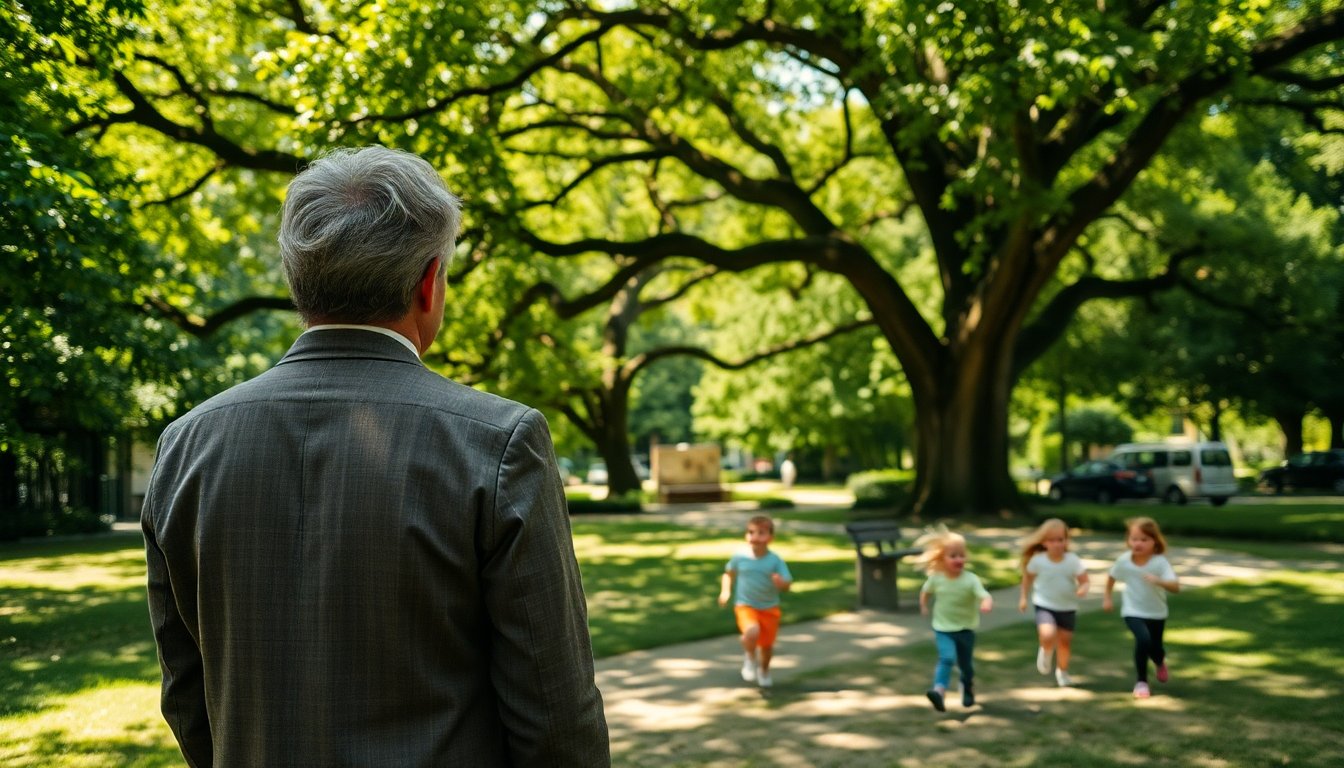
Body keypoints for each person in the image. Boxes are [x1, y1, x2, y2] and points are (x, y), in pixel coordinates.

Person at [141, 146, 610, 767]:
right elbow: (556, 719)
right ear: (428, 282)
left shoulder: (186, 446)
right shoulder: (496, 442)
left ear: (297, 280)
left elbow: (187, 695)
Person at [1103, 516, 1180, 700]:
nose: (1138, 543)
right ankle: (1141, 682)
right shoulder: (1124, 560)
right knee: (1143, 640)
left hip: (1156, 612)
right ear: (1128, 540)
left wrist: (1159, 581)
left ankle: (1160, 661)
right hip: (1132, 610)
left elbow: (1176, 587)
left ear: (1155, 541)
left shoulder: (1160, 562)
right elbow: (1111, 577)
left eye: (1144, 539)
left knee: (1155, 647)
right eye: (1134, 539)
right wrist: (1107, 598)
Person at [917, 528, 993, 711]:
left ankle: (967, 687)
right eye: (953, 556)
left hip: (966, 629)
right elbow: (925, 592)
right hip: (943, 628)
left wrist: (986, 602)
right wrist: (924, 605)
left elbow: (984, 594)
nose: (958, 559)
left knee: (966, 666)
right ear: (942, 559)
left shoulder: (971, 579)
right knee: (947, 658)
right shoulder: (937, 579)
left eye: (961, 555)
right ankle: (939, 691)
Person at [718, 514, 793, 688]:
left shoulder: (775, 560)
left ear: (770, 538)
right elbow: (728, 575)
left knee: (766, 647)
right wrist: (725, 592)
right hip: (745, 605)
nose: (755, 537)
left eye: (761, 533)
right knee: (751, 632)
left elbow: (787, 584)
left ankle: (764, 671)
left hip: (769, 608)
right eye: (751, 532)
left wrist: (781, 583)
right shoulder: (739, 557)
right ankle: (750, 658)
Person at [1017, 518, 1090, 687]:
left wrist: (1083, 588)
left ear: (1066, 541)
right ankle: (1046, 649)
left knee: (1065, 642)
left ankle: (1062, 671)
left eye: (1061, 540)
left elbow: (1084, 580)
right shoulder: (1038, 561)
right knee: (1048, 634)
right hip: (1044, 605)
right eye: (1052, 540)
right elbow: (1027, 578)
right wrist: (1023, 597)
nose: (1057, 544)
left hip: (1067, 607)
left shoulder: (1072, 560)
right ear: (1044, 542)